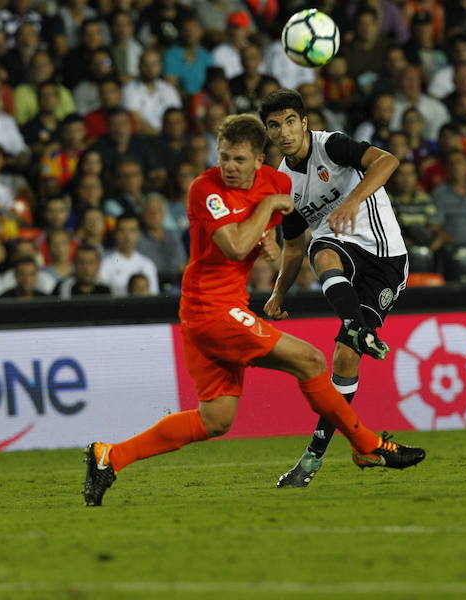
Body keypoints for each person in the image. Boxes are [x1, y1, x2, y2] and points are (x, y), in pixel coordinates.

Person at [81, 114, 424, 506]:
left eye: (239, 160)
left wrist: (272, 253)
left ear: (260, 159)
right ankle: (367, 445)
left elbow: (282, 240)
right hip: (210, 309)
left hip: (224, 308)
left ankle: (110, 456)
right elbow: (235, 246)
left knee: (216, 419)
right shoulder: (205, 190)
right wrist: (267, 212)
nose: (229, 167)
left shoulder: (275, 183)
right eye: (224, 157)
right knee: (311, 360)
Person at [259, 89, 411, 487]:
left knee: (345, 359)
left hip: (386, 259)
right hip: (338, 249)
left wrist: (352, 202)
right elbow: (292, 248)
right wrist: (278, 294)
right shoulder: (284, 184)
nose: (284, 131)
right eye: (275, 125)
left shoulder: (333, 145)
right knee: (319, 247)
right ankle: (311, 463)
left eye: (290, 121)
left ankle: (356, 449)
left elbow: (387, 160)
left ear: (304, 122)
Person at [98, 215, 159, 296]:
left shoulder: (148, 264)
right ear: (115, 234)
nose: (127, 236)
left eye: (132, 231)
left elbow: (154, 296)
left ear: (139, 234)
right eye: (122, 231)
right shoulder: (105, 263)